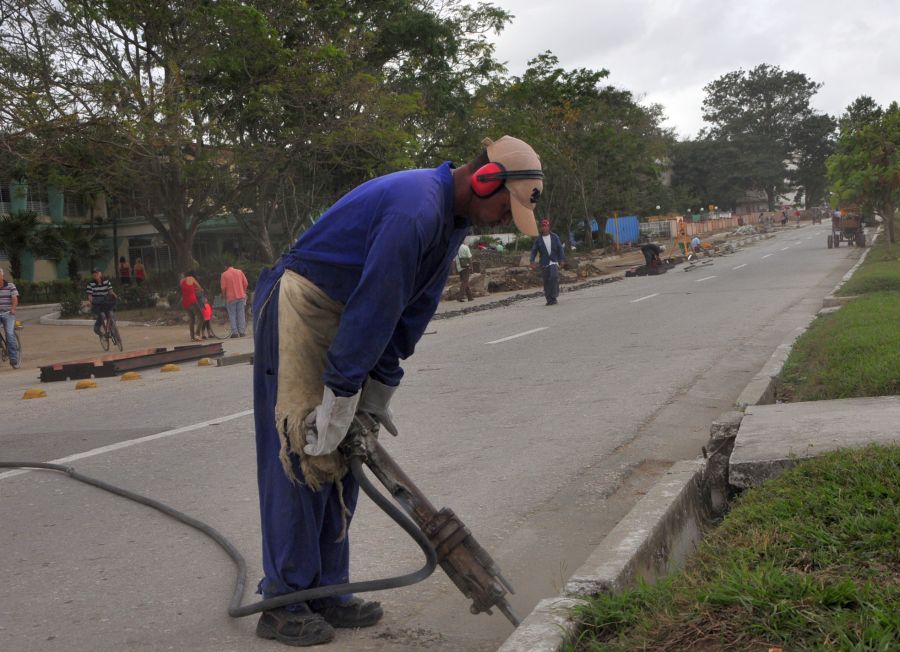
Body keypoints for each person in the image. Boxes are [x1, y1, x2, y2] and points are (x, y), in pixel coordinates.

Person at [250, 135, 543, 647]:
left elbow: (409, 310)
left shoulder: (453, 222)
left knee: (345, 451)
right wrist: (342, 391)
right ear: (484, 180)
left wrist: (376, 392)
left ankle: (327, 590)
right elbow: (375, 304)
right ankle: (284, 599)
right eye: (505, 206)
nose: (503, 218)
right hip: (303, 303)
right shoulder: (415, 211)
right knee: (302, 446)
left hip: (349, 313)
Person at [529, 218, 566, 305]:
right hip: (544, 263)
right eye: (543, 226)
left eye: (546, 226)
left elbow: (560, 248)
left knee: (554, 277)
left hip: (553, 261)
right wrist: (532, 261)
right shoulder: (538, 240)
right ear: (541, 228)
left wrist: (562, 259)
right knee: (546, 281)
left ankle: (554, 297)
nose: (544, 228)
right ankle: (549, 299)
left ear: (549, 227)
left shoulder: (555, 237)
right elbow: (534, 251)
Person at [220, 262, 250, 337]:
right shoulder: (239, 272)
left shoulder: (224, 274)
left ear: (225, 266)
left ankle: (235, 333)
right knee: (241, 314)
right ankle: (242, 332)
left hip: (230, 298)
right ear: (232, 265)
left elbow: (223, 288)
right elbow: (246, 283)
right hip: (241, 296)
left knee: (232, 315)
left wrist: (223, 296)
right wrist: (243, 291)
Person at [87, 268, 118, 339]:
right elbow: (90, 295)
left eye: (97, 273)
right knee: (102, 316)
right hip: (97, 304)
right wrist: (90, 302)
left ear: (100, 273)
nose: (95, 274)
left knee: (111, 315)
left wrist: (115, 296)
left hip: (105, 303)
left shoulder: (106, 282)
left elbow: (110, 291)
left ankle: (111, 331)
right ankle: (97, 328)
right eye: (94, 273)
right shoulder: (90, 284)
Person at [0, 268, 20, 368]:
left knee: (9, 333)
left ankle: (13, 357)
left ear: (2, 276)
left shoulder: (10, 286)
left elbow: (14, 299)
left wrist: (13, 309)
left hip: (8, 314)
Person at [179, 271, 205, 342]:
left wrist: (193, 290)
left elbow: (187, 289)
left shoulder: (181, 281)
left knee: (192, 319)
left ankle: (192, 337)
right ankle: (197, 334)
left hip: (185, 302)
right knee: (201, 318)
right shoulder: (191, 278)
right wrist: (200, 291)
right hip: (192, 301)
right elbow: (199, 287)